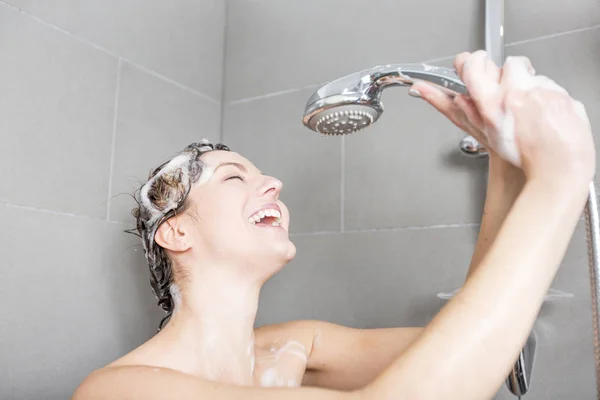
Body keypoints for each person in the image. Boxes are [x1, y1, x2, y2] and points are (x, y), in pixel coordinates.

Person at [73, 51, 595, 399]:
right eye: (234, 177)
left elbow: (471, 346)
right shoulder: (120, 389)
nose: (274, 183)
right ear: (176, 232)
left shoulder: (294, 348)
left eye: (264, 174)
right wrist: (558, 181)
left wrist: (504, 160)